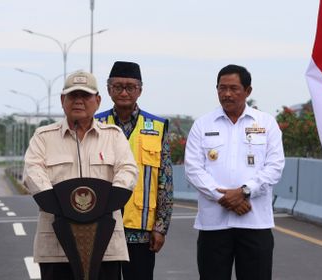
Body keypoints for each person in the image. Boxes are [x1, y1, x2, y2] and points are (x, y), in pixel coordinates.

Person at [23, 71, 138, 280]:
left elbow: (128, 170)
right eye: (72, 95)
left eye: (84, 96)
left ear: (98, 100)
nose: (78, 101)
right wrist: (63, 206)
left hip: (106, 244)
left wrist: (105, 202)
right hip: (56, 246)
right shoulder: (43, 137)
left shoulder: (113, 136)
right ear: (62, 100)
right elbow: (32, 173)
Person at [185, 64, 285, 280]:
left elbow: (275, 166)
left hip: (255, 222)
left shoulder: (266, 123)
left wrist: (244, 191)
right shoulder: (202, 125)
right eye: (222, 88)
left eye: (233, 88)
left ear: (248, 91)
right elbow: (193, 169)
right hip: (213, 225)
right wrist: (224, 196)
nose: (227, 94)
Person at [95, 61, 174, 280]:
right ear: (109, 89)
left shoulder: (157, 127)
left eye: (130, 87)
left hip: (141, 230)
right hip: (101, 226)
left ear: (140, 90)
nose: (124, 92)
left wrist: (161, 227)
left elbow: (165, 182)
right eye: (118, 86)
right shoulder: (94, 124)